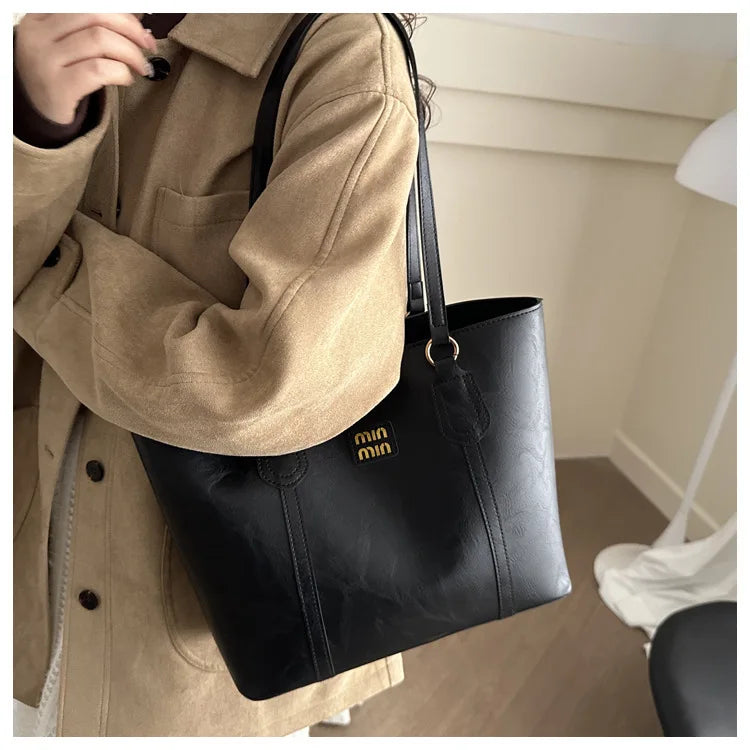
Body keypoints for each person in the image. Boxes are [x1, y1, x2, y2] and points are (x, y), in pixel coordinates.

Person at [13, 12, 428, 736]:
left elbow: (265, 383)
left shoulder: (345, 54)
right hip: (33, 540)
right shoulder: (50, 33)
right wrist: (36, 127)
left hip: (201, 622)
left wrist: (49, 266)